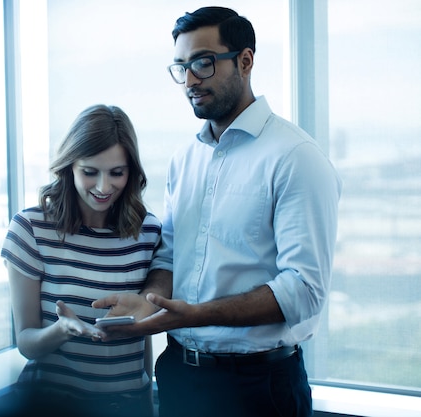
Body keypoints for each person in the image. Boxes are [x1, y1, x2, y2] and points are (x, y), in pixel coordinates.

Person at [93, 6, 342, 417]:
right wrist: (149, 301)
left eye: (203, 63)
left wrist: (193, 316)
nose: (190, 80)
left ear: (245, 61)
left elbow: (304, 290)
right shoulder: (185, 158)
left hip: (259, 388)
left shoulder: (296, 158)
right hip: (179, 376)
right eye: (182, 66)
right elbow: (170, 254)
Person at [0, 104, 161, 417]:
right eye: (90, 172)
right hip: (52, 404)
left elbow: (140, 331)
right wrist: (63, 330)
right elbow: (26, 342)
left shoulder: (148, 230)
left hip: (129, 404)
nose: (103, 187)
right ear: (69, 166)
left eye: (117, 173)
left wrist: (146, 400)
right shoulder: (31, 229)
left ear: (132, 172)